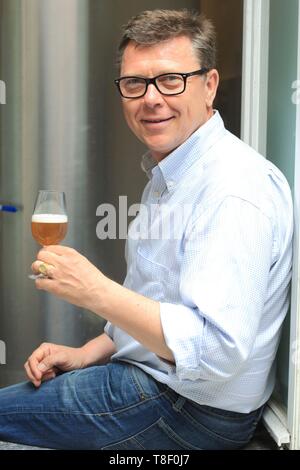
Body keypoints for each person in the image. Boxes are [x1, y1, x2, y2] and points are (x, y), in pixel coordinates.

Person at [0, 9, 293, 450]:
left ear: (209, 85)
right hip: (158, 383)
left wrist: (94, 290)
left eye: (171, 80)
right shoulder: (174, 171)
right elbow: (156, 302)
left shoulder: (232, 189)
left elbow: (216, 353)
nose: (150, 99)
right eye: (135, 84)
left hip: (189, 409)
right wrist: (88, 352)